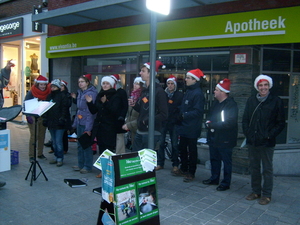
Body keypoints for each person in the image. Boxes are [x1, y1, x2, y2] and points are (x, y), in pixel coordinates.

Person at [242, 74, 285, 205]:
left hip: (267, 142)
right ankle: (256, 191)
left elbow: (280, 123)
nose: (263, 87)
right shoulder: (251, 100)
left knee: (267, 169)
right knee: (254, 167)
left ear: (269, 86)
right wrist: (249, 134)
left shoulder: (276, 101)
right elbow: (245, 120)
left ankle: (266, 195)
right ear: (257, 87)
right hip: (253, 141)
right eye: (260, 85)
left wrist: (268, 135)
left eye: (265, 85)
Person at [202, 79, 238, 191]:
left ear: (223, 92)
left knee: (226, 161)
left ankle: (226, 182)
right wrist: (208, 123)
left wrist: (213, 125)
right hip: (214, 137)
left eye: (216, 90)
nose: (214, 92)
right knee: (214, 158)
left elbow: (229, 122)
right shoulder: (216, 103)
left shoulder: (231, 105)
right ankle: (214, 178)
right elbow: (210, 115)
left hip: (225, 138)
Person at [86, 76, 121, 178]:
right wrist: (89, 103)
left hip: (109, 128)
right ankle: (103, 169)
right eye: (104, 83)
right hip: (100, 128)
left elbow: (114, 111)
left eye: (107, 83)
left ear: (111, 85)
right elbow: (94, 111)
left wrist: (106, 102)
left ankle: (109, 171)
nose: (105, 85)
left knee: (108, 150)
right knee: (101, 150)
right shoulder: (100, 95)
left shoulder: (116, 96)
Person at [130, 61, 168, 152]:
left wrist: (146, 120)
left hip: (151, 132)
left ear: (150, 73)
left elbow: (164, 114)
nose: (140, 73)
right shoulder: (145, 91)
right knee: (136, 158)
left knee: (147, 161)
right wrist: (134, 105)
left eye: (143, 71)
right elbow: (142, 109)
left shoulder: (159, 92)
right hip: (140, 130)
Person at [175, 68, 205, 182]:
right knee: (182, 148)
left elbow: (198, 111)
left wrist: (184, 115)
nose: (186, 79)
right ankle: (184, 168)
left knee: (192, 151)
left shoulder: (197, 94)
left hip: (192, 127)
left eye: (188, 78)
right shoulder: (189, 91)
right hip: (184, 126)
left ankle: (191, 172)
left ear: (194, 80)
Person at [156, 75, 183, 173]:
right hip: (164, 122)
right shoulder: (163, 94)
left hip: (174, 123)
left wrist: (176, 118)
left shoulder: (179, 95)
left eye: (172, 84)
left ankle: (175, 164)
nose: (170, 85)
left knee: (175, 144)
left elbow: (180, 109)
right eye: (168, 83)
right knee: (161, 143)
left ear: (175, 85)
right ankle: (160, 163)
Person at [71, 76, 98, 174]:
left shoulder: (91, 93)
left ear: (87, 83)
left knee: (86, 145)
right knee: (79, 144)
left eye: (82, 82)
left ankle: (87, 166)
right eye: (79, 82)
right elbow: (78, 109)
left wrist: (88, 128)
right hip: (80, 121)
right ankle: (80, 164)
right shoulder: (80, 92)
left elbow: (91, 113)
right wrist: (75, 122)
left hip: (86, 122)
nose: (80, 83)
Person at [25, 75, 51, 162]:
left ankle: (40, 153)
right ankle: (31, 155)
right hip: (33, 116)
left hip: (43, 116)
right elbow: (26, 104)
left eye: (44, 85)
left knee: (41, 136)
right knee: (34, 136)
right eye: (41, 85)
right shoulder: (31, 92)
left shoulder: (48, 92)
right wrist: (28, 116)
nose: (43, 87)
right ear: (37, 84)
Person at [43, 79, 68, 167]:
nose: (52, 88)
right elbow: (46, 108)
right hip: (51, 122)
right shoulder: (49, 96)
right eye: (52, 87)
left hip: (59, 123)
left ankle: (60, 158)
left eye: (54, 87)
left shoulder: (62, 96)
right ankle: (56, 157)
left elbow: (64, 109)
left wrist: (62, 118)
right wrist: (45, 119)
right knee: (54, 142)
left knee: (58, 142)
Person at [122, 77, 145, 148]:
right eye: (135, 83)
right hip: (133, 128)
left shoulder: (143, 97)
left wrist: (130, 125)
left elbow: (142, 115)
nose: (135, 85)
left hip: (139, 127)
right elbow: (130, 113)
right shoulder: (132, 96)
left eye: (137, 84)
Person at [110, 74, 128, 154]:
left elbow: (125, 105)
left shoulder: (121, 92)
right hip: (110, 119)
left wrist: (122, 116)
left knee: (119, 137)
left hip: (118, 118)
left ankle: (120, 153)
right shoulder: (109, 92)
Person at [60, 80, 72, 154]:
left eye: (62, 86)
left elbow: (68, 104)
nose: (60, 87)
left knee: (64, 133)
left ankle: (65, 149)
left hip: (65, 116)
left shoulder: (67, 95)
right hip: (57, 116)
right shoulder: (56, 94)